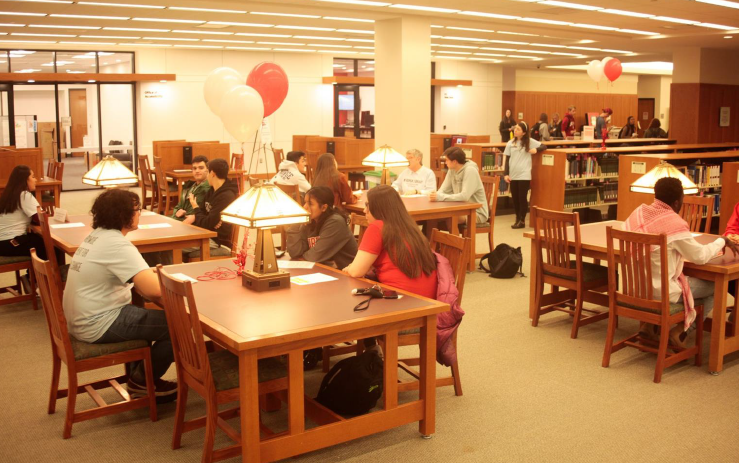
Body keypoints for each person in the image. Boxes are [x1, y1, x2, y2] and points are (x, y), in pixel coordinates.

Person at [62, 189, 176, 402]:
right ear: (124, 215)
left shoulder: (96, 236)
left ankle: (139, 375)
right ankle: (142, 380)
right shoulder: (116, 244)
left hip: (84, 317)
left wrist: (147, 275)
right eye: (137, 210)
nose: (139, 214)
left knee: (149, 317)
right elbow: (153, 290)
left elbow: (135, 279)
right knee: (177, 324)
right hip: (99, 321)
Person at [624, 177, 738, 348]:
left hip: (635, 289)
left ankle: (651, 325)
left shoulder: (638, 213)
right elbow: (700, 256)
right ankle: (681, 332)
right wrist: (722, 241)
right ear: (677, 202)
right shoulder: (674, 224)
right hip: (661, 293)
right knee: (717, 286)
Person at [343, 185, 437, 300]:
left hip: (401, 300)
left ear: (379, 208)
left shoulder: (377, 227)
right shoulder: (409, 226)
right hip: (429, 301)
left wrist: (351, 267)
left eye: (367, 206)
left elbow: (356, 271)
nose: (364, 210)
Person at [286, 186, 358, 269]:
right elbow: (295, 253)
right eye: (305, 202)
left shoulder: (335, 222)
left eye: (310, 204)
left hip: (345, 274)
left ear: (324, 207)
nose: (305, 207)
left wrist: (304, 255)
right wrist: (297, 223)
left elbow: (313, 257)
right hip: (322, 270)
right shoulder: (311, 220)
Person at [182, 158, 239, 259]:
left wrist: (195, 208)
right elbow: (205, 218)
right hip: (205, 233)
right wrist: (207, 219)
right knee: (169, 243)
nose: (207, 176)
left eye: (208, 172)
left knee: (170, 246)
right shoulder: (212, 190)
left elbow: (206, 222)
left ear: (212, 173)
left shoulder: (226, 196)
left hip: (216, 240)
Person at [503, 121, 547, 229]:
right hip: (513, 175)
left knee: (522, 198)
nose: (515, 130)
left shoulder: (529, 141)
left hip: (524, 175)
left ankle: (522, 220)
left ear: (523, 132)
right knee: (515, 198)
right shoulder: (510, 143)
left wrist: (535, 150)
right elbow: (507, 158)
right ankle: (517, 218)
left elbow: (544, 146)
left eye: (518, 129)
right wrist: (506, 174)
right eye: (515, 128)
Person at [430, 147, 488, 227]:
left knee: (451, 218)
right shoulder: (452, 169)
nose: (445, 162)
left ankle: (454, 240)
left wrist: (440, 197)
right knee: (432, 217)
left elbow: (464, 196)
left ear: (454, 162)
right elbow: (443, 190)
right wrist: (436, 195)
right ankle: (431, 239)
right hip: (459, 208)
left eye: (447, 160)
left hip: (476, 212)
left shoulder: (470, 171)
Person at [0, 165, 48, 262]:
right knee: (49, 245)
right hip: (11, 243)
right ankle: (46, 276)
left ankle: (33, 276)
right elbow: (41, 219)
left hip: (3, 243)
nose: (35, 180)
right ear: (25, 180)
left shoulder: (7, 194)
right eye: (33, 177)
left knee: (37, 239)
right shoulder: (24, 195)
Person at [170, 155, 210, 221]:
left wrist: (183, 213)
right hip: (178, 219)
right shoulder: (189, 186)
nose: (197, 171)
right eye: (194, 168)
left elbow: (195, 213)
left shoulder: (207, 188)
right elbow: (178, 206)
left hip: (190, 223)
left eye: (201, 168)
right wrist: (177, 212)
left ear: (208, 170)